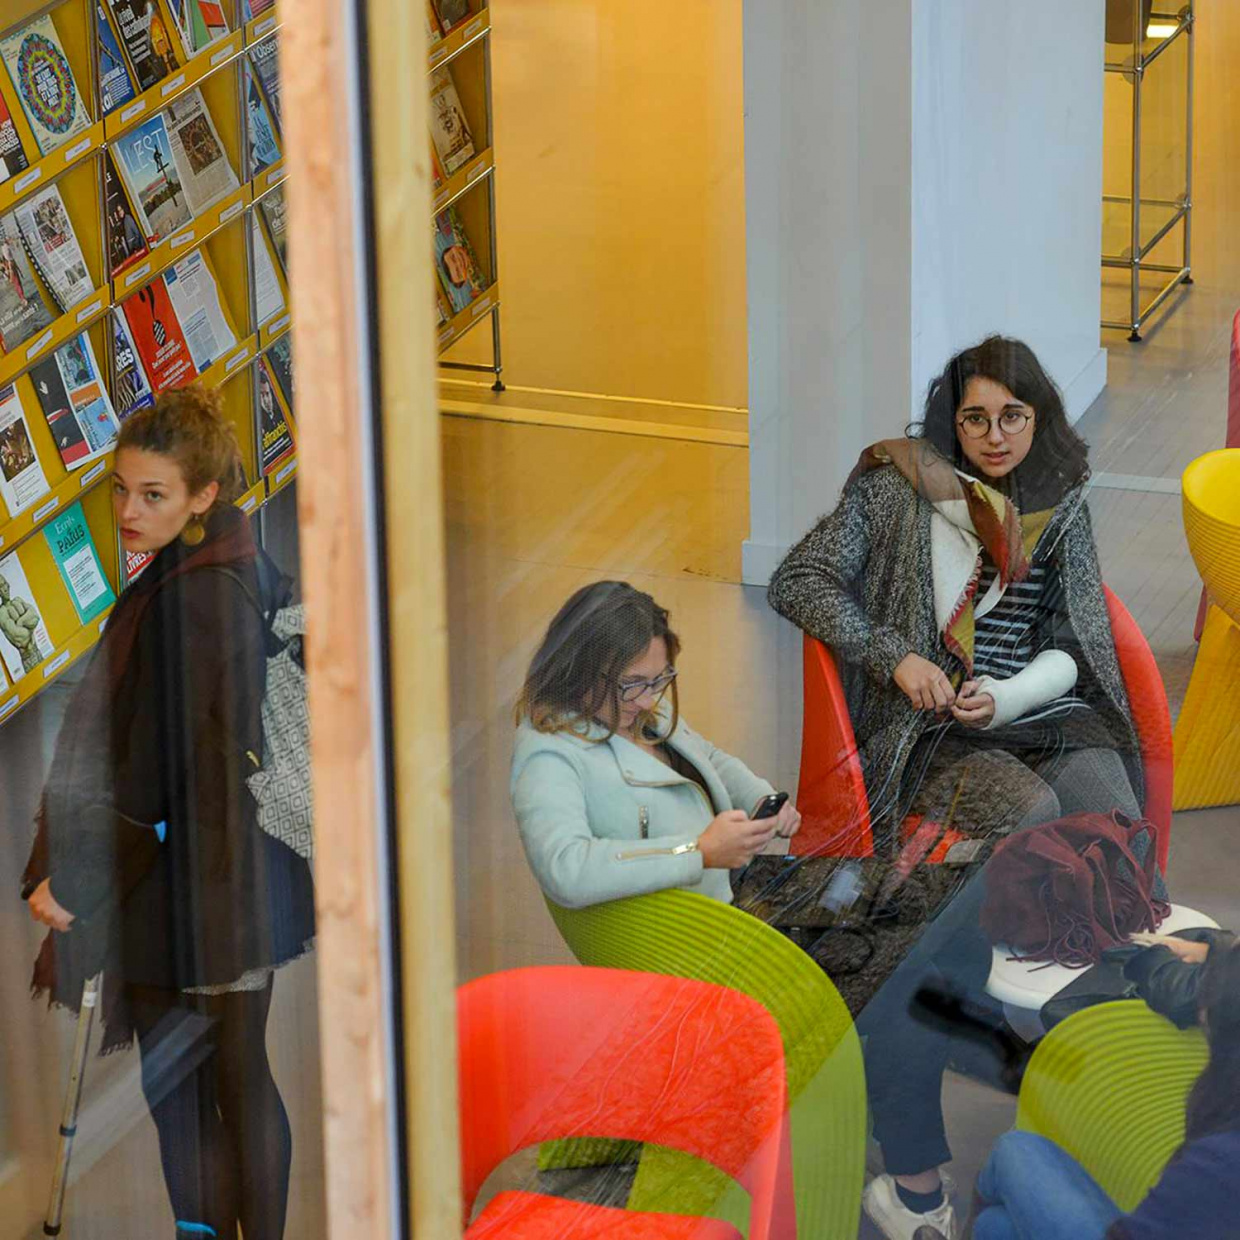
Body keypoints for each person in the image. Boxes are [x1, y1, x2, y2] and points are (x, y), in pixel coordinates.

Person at [768, 336, 1154, 1240]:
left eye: (1012, 417)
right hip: (936, 726)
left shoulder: (1060, 500)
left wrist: (1012, 694)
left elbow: (1073, 637)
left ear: (1038, 419)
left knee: (1115, 816)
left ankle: (1070, 1017)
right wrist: (896, 656)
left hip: (1035, 707)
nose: (994, 436)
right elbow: (800, 579)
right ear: (952, 418)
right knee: (1031, 814)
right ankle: (992, 970)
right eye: (974, 418)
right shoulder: (896, 488)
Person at [21, 385, 315, 1240]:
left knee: (180, 1094)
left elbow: (146, 779)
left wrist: (68, 883)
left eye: (153, 495)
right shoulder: (239, 561)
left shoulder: (186, 603)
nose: (127, 511)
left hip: (191, 889)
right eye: (119, 489)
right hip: (247, 870)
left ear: (203, 494)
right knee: (241, 1074)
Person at [511, 580, 800, 910]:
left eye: (659, 680)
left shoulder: (639, 710)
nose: (649, 700)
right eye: (632, 684)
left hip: (726, 894)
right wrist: (697, 852)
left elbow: (708, 757)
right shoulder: (548, 755)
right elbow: (568, 870)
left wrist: (759, 797)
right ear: (579, 671)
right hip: (688, 933)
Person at [969, 934, 1240, 1239]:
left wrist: (1163, 963)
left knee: (1015, 1151)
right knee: (995, 1226)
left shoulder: (1220, 1162)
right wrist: (1212, 951)